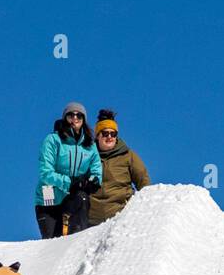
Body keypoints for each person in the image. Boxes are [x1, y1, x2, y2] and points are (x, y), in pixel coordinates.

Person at [34, 102, 102, 238]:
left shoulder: (89, 145)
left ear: (84, 120)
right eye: (71, 115)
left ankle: (76, 246)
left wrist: (93, 182)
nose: (75, 119)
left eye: (79, 116)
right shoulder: (53, 140)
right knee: (51, 243)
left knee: (72, 238)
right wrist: (69, 182)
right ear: (65, 117)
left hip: (73, 199)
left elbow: (96, 171)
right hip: (49, 199)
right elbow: (45, 172)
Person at [88, 109, 150, 226]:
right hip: (91, 223)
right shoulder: (87, 156)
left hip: (120, 219)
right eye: (105, 134)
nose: (110, 137)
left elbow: (144, 182)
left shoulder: (127, 155)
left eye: (113, 134)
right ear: (97, 136)